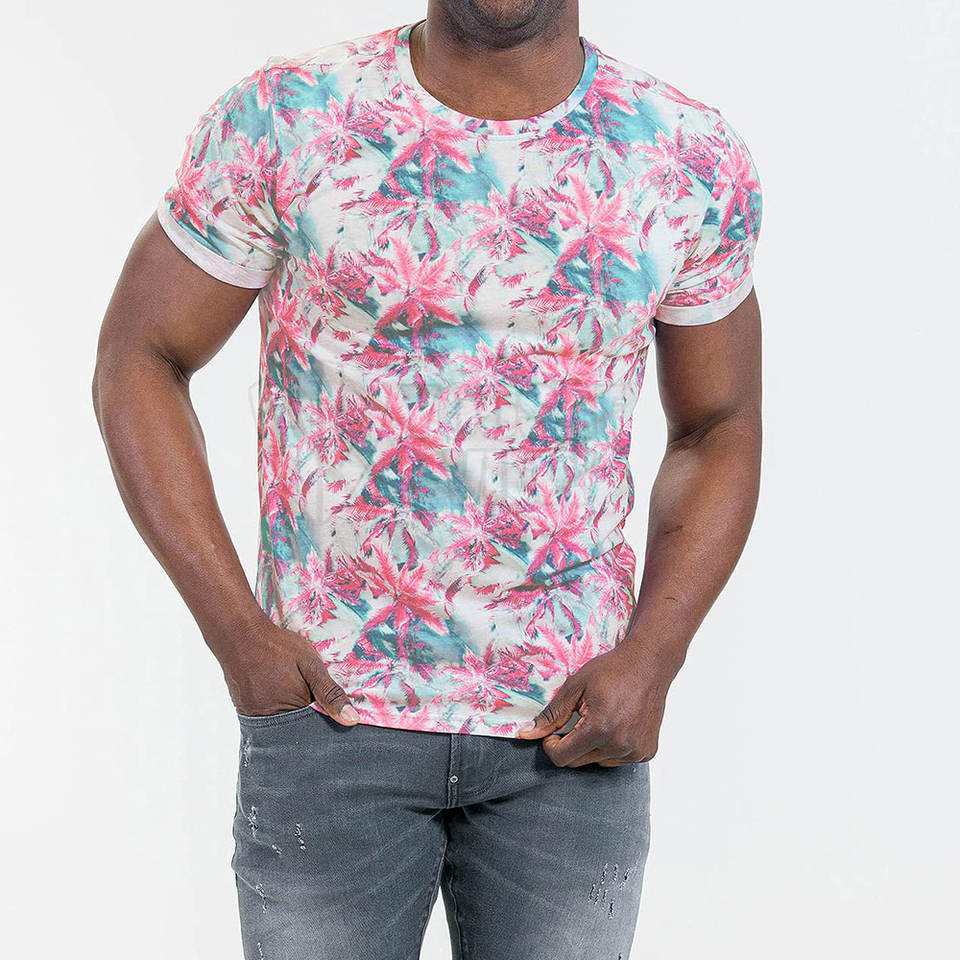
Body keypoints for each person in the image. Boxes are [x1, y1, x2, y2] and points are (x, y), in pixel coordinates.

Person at [93, 1, 763, 956]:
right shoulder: (292, 114)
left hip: (573, 728)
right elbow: (139, 357)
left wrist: (655, 656)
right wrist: (237, 632)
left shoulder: (685, 156)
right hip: (330, 716)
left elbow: (719, 424)